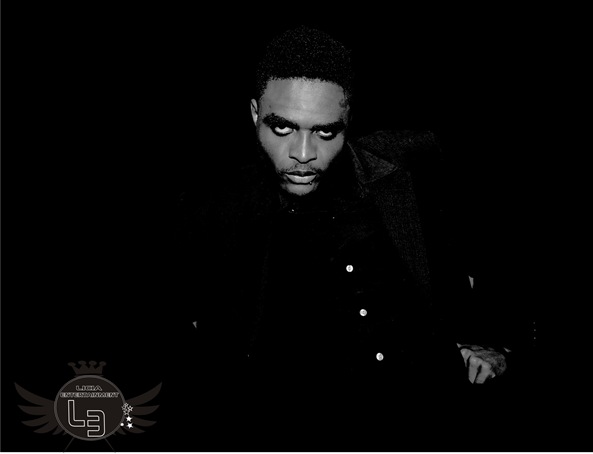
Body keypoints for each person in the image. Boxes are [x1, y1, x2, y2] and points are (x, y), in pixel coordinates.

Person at [166, 25, 513, 451]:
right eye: (282, 128)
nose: (304, 154)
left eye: (326, 131)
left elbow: (496, 250)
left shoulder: (411, 167)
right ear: (255, 114)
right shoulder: (212, 212)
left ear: (348, 121)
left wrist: (496, 346)